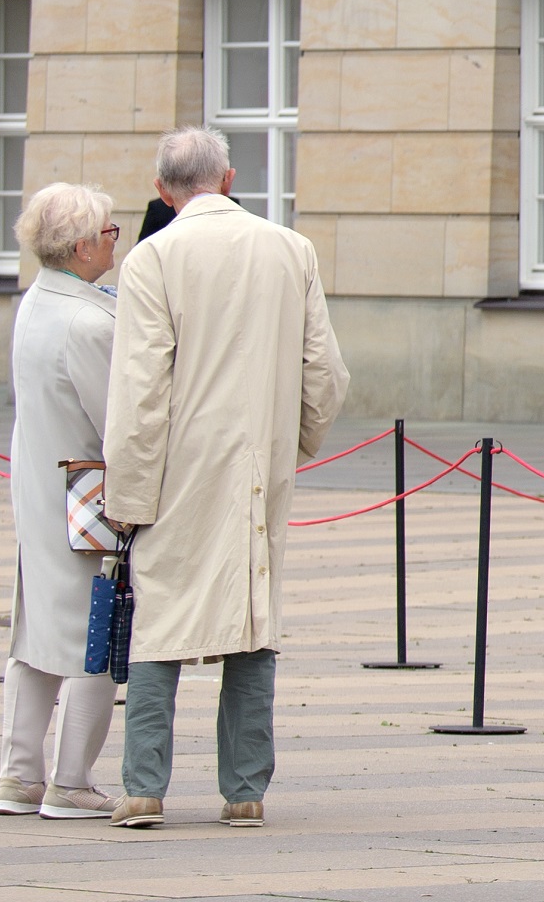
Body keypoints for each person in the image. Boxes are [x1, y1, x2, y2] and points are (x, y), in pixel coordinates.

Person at [102, 128, 349, 831]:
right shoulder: (290, 248)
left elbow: (140, 390)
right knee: (252, 616)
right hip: (256, 460)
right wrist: (293, 442)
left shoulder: (152, 258)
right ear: (230, 177)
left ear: (162, 190)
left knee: (162, 619)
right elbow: (325, 374)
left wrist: (128, 494)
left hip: (180, 462)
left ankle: (144, 786)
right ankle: (245, 789)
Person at [0, 184, 125, 819]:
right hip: (88, 494)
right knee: (96, 634)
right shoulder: (89, 320)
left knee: (35, 629)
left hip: (40, 487)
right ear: (80, 247)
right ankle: (71, 781)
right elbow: (117, 425)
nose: (114, 240)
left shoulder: (37, 299)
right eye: (108, 231)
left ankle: (20, 776)